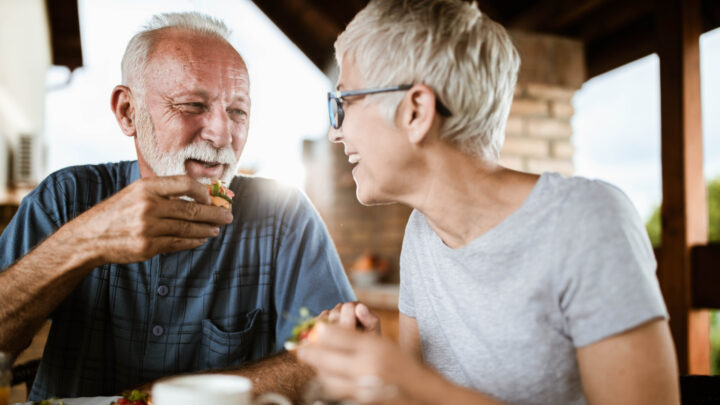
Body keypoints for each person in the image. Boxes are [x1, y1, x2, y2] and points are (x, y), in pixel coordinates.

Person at [296, 1, 680, 404]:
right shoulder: (422, 234)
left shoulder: (587, 221)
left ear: (415, 112)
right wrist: (379, 381)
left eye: (344, 103)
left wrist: (405, 380)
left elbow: (423, 390)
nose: (334, 134)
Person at [0, 12, 355, 401]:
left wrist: (172, 395)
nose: (222, 134)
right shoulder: (66, 197)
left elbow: (343, 359)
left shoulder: (284, 217)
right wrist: (84, 242)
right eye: (191, 105)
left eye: (238, 111)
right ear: (127, 111)